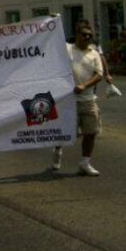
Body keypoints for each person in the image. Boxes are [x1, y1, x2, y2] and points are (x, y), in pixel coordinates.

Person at [51, 24, 104, 176]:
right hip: (68, 100)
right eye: (84, 34)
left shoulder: (94, 54)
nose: (87, 37)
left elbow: (98, 74)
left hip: (87, 99)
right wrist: (53, 21)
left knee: (91, 131)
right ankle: (57, 149)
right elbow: (52, 40)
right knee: (67, 132)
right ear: (76, 35)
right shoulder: (67, 49)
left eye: (89, 35)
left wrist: (84, 85)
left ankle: (85, 162)